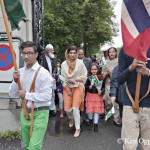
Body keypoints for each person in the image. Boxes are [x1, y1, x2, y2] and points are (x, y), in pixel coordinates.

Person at [9, 41, 53, 150]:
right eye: (23, 53)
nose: (26, 56)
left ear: (36, 54)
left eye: (29, 53)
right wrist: (15, 81)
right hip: (25, 112)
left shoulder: (44, 74)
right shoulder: (20, 72)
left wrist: (27, 95)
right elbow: (12, 93)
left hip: (40, 113)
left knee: (34, 147)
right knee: (27, 146)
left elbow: (47, 96)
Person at [118, 48, 150, 150]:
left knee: (147, 144)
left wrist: (148, 72)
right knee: (129, 145)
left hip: (149, 104)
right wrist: (130, 67)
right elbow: (119, 79)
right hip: (129, 103)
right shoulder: (126, 49)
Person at [61, 45, 87, 137]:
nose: (72, 55)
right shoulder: (63, 64)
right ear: (67, 53)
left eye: (74, 53)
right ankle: (71, 118)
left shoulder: (80, 63)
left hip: (78, 86)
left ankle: (78, 128)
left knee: (75, 108)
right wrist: (67, 88)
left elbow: (84, 75)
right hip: (67, 87)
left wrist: (76, 79)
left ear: (76, 54)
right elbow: (62, 78)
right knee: (67, 109)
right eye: (70, 53)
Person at [85, 63, 104, 132]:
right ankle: (90, 120)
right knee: (90, 111)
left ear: (98, 70)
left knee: (96, 111)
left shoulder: (101, 78)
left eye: (95, 69)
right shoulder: (89, 78)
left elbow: (103, 87)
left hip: (97, 96)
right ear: (90, 70)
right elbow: (85, 87)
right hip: (90, 96)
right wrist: (88, 87)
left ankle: (96, 124)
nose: (94, 71)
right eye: (92, 69)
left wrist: (101, 91)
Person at [41, 44, 57, 116]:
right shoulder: (42, 58)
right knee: (46, 93)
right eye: (51, 50)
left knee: (52, 94)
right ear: (47, 51)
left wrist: (54, 73)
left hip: (52, 79)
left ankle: (52, 109)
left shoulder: (53, 58)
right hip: (45, 79)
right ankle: (46, 109)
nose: (52, 51)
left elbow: (55, 67)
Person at [102, 47, 118, 112]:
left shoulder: (119, 61)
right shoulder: (105, 62)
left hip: (117, 83)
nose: (111, 53)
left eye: (113, 52)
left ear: (116, 53)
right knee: (108, 100)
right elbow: (102, 73)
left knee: (115, 102)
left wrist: (113, 74)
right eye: (110, 52)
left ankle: (116, 120)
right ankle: (108, 113)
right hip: (108, 83)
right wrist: (106, 74)